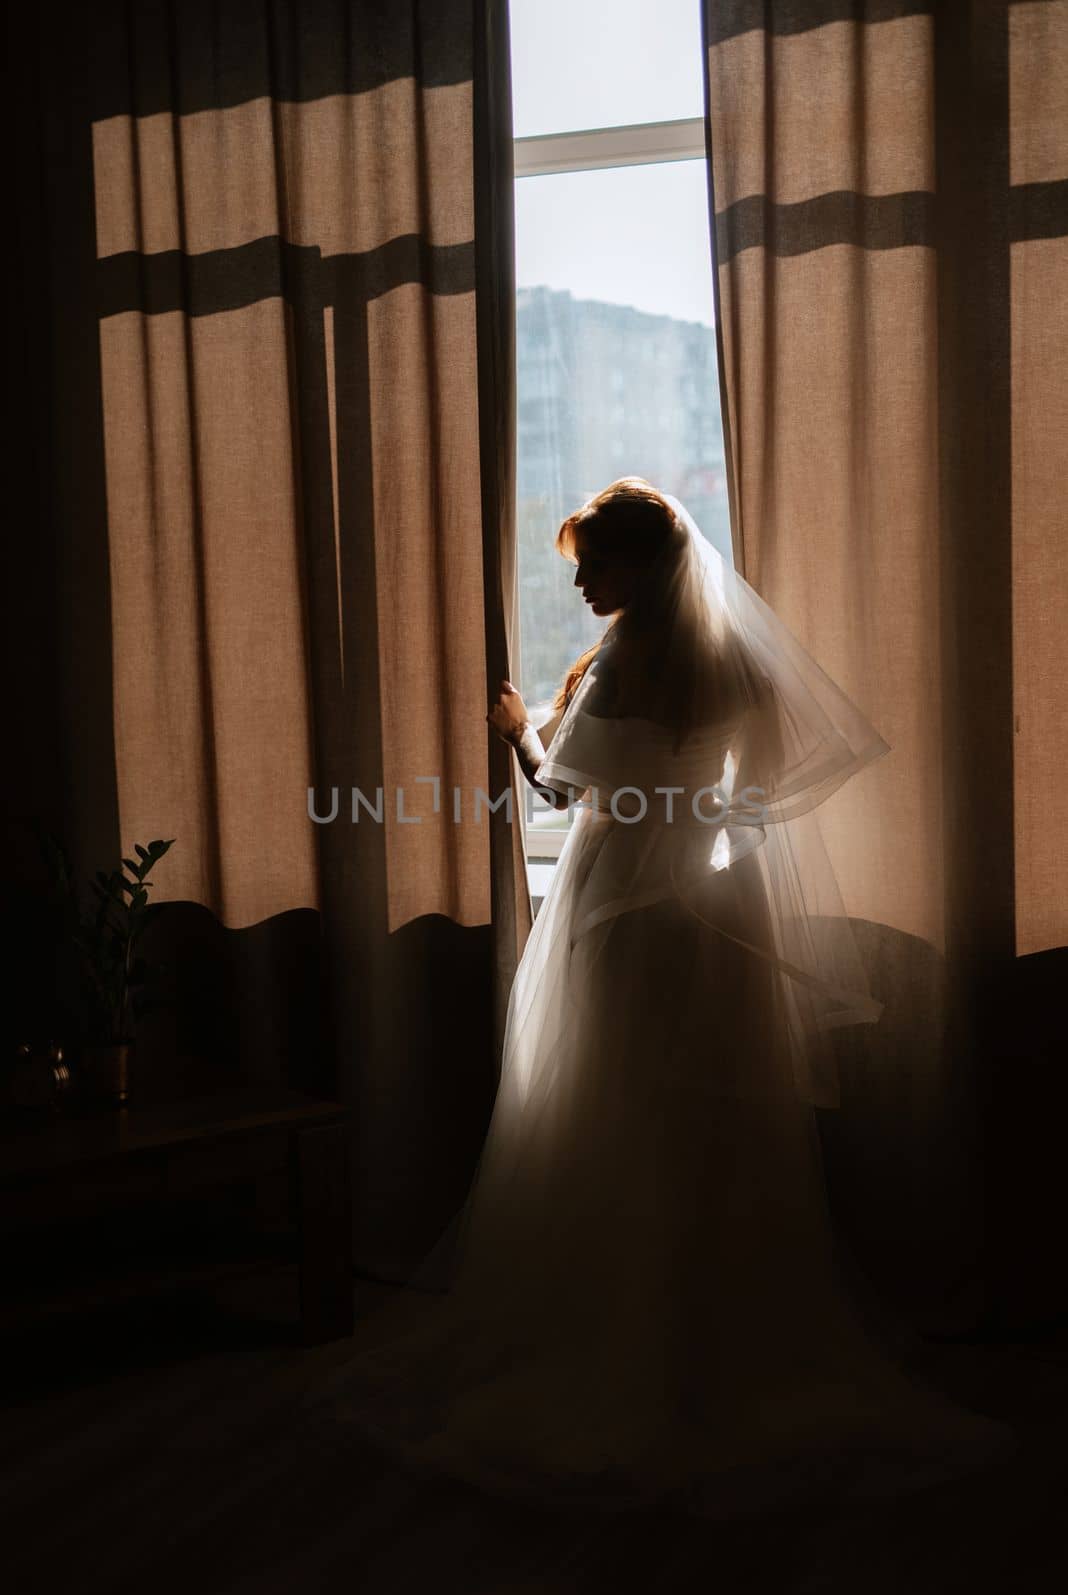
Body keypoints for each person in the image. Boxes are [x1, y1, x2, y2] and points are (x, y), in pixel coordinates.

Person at [322, 478, 1013, 1518]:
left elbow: (564, 788)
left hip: (626, 913)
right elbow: (766, 782)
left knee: (610, 1115)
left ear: (645, 565)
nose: (584, 583)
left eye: (594, 564)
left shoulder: (634, 657)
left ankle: (623, 1344)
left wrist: (516, 729)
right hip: (710, 910)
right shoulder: (729, 657)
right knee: (705, 1131)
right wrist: (700, 815)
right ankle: (714, 1340)